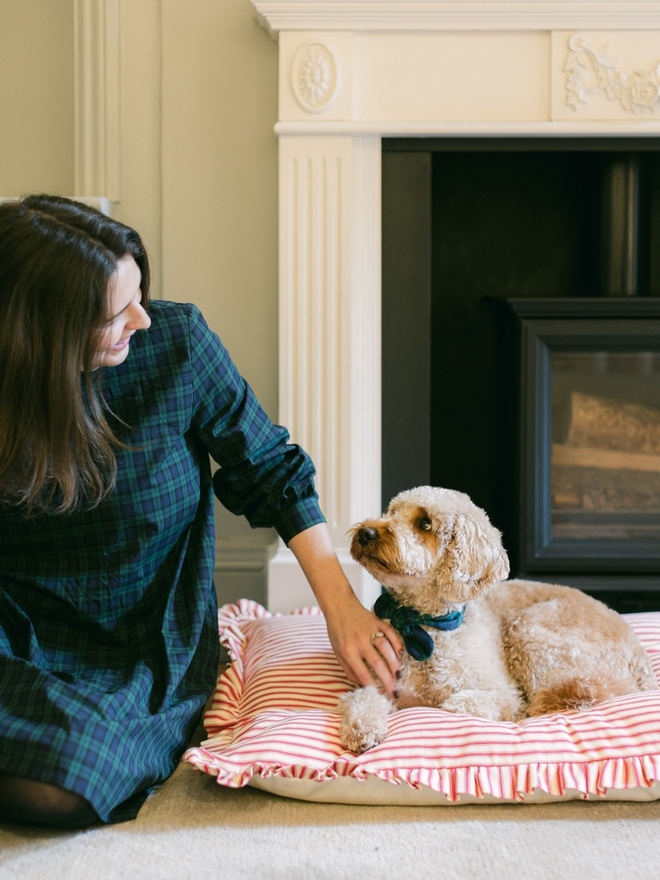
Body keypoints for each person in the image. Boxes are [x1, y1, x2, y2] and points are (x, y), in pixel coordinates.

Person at [0, 195, 402, 827]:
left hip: (139, 640)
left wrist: (342, 605)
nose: (142, 319)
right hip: (13, 619)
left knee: (68, 776)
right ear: (42, 333)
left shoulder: (179, 346)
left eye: (140, 293)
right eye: (115, 311)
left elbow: (273, 472)